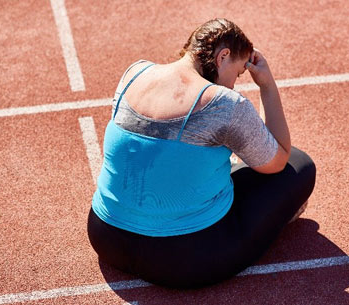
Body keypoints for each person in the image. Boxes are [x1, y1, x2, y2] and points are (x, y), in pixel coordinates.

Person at [87, 18, 316, 288]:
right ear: (223, 56)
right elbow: (278, 159)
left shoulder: (134, 73)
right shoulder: (224, 103)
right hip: (184, 259)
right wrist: (266, 85)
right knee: (299, 166)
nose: (233, 86)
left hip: (107, 237)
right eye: (239, 74)